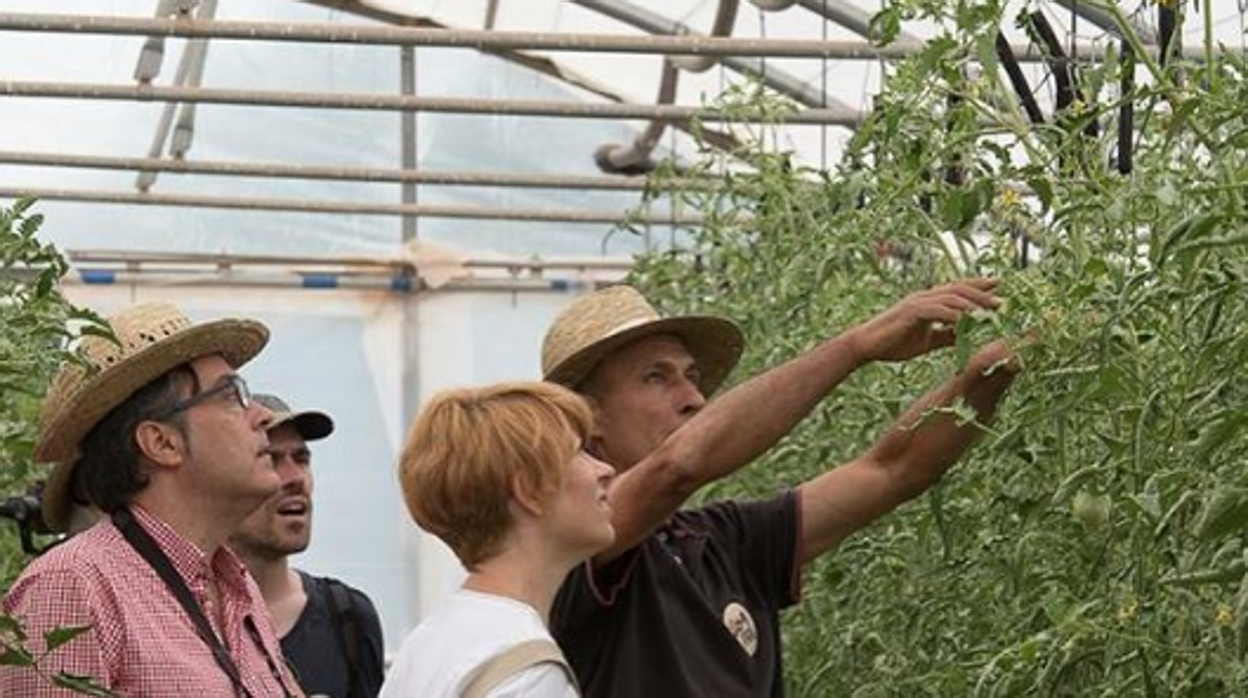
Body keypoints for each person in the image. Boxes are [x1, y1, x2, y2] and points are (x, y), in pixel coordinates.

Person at [540, 281, 1021, 698]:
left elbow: (894, 470)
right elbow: (679, 465)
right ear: (590, 416)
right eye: (656, 377)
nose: (694, 399)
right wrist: (857, 346)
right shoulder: (570, 547)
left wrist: (991, 370)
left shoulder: (724, 541)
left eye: (691, 376)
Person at [0, 302, 305, 697]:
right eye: (232, 395)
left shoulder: (235, 585)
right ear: (162, 443)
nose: (263, 415)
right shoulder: (73, 586)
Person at [382, 382, 616, 698]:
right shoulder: (526, 670)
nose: (605, 469)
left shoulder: (427, 643)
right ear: (529, 490)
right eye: (579, 453)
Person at [230, 393, 386, 698]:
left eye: (302, 459)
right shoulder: (174, 622)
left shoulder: (347, 617)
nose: (295, 478)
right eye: (271, 459)